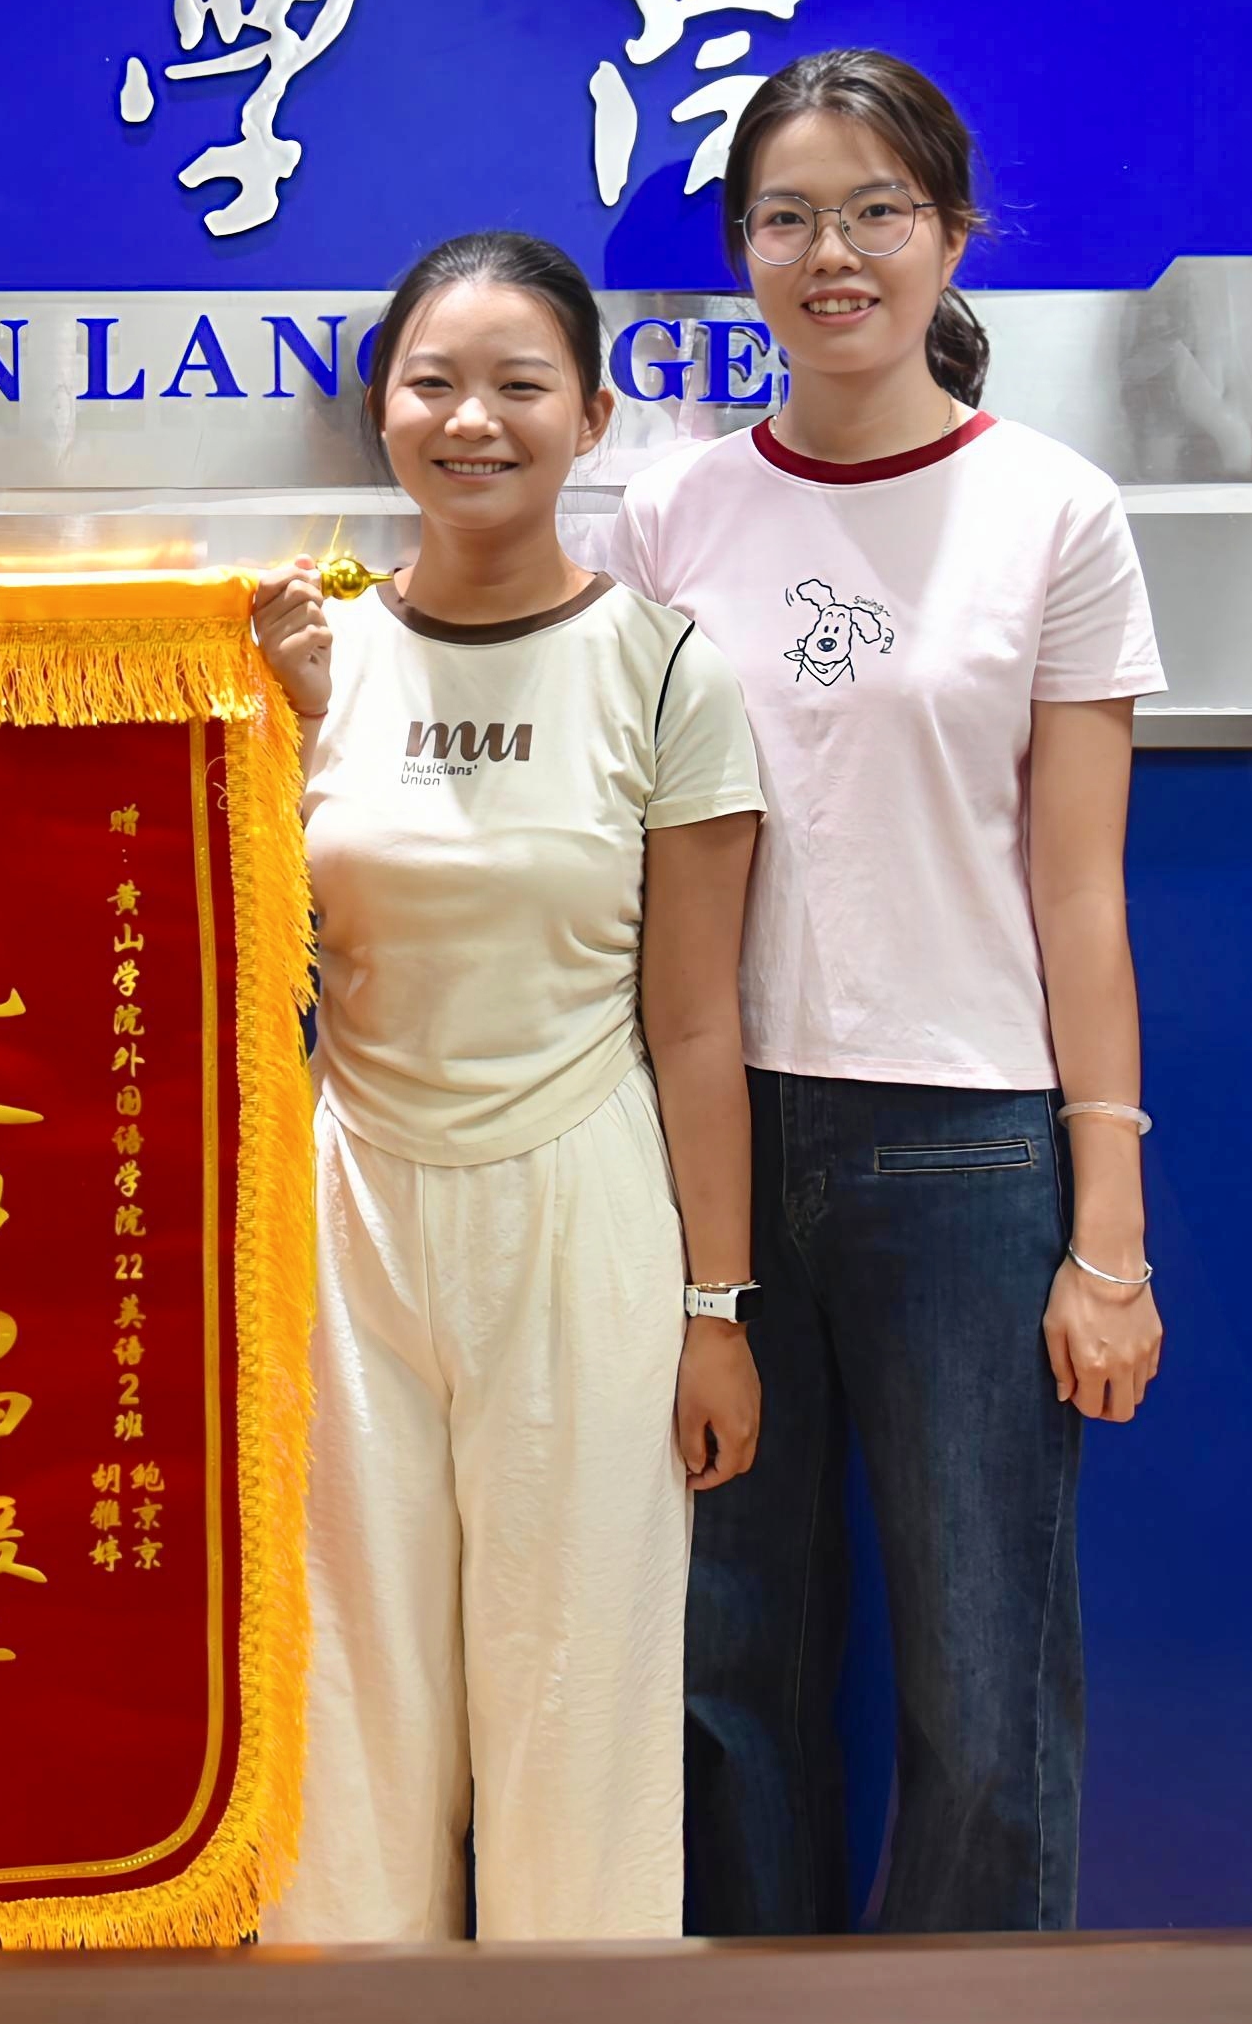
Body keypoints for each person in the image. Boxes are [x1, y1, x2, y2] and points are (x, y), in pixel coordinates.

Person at [595, 49, 1169, 1935]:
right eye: (787, 217)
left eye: (874, 213)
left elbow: (1079, 892)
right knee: (724, 1662)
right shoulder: (670, 515)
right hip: (710, 1136)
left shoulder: (1054, 510)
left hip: (966, 1149)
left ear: (951, 237)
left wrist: (1107, 1232)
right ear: (739, 249)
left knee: (984, 1693)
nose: (829, 254)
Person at [249, 231, 767, 1942]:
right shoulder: (307, 658)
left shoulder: (666, 668)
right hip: (348, 1219)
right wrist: (271, 729)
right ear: (383, 410)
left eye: (520, 384)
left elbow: (698, 1023)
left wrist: (714, 1309)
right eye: (435, 382)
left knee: (579, 1693)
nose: (474, 419)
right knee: (346, 1687)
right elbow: (234, 959)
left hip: (582, 1211)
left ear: (592, 417)